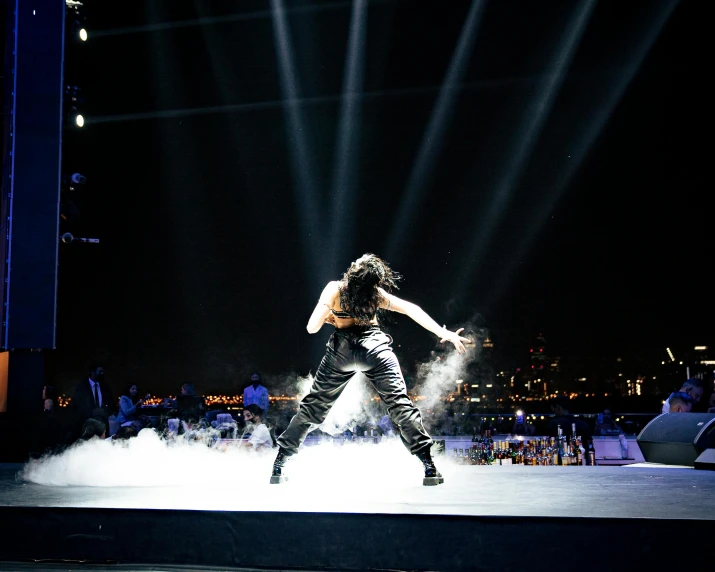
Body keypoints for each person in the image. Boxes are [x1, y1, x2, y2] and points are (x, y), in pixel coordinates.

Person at [270, 253, 471, 486]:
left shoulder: (335, 288)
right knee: (399, 405)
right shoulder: (375, 294)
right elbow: (411, 309)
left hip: (342, 352)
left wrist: (331, 317)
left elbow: (312, 327)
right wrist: (442, 333)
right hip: (374, 348)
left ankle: (279, 464)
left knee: (313, 407)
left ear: (354, 270)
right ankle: (429, 467)